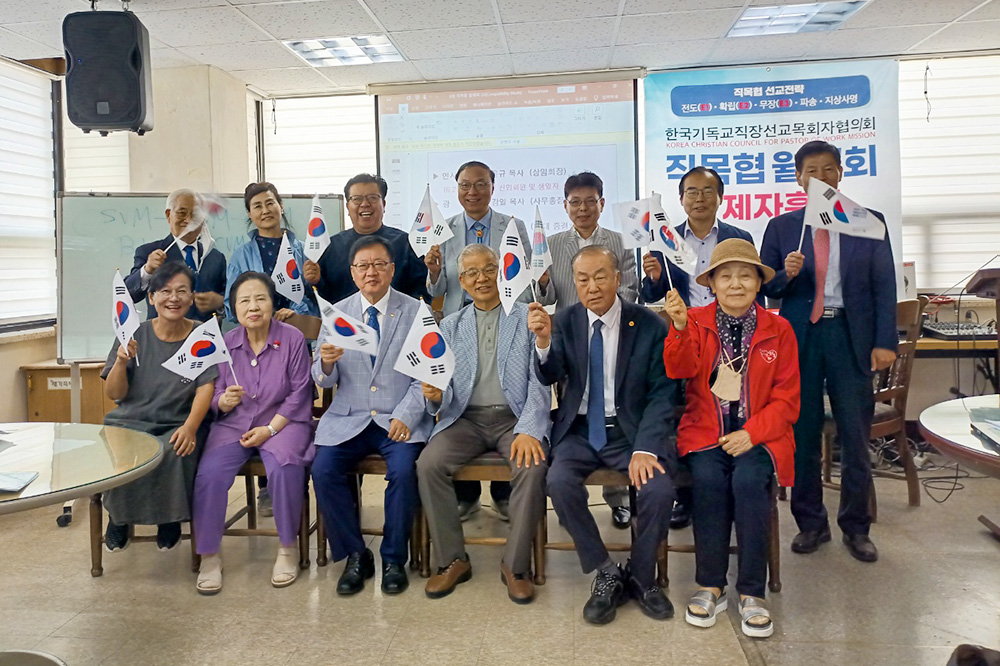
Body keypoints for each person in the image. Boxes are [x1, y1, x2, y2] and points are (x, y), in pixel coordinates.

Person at [760, 140, 897, 563]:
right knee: (801, 434)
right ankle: (811, 524)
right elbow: (765, 287)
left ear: (840, 173)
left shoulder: (867, 222)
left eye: (828, 169)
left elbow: (883, 286)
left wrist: (884, 342)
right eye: (811, 170)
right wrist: (786, 273)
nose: (820, 176)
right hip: (800, 338)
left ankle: (856, 527)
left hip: (850, 337)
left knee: (855, 437)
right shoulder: (783, 227)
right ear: (799, 178)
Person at [528, 245, 677, 625]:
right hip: (579, 430)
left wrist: (646, 447)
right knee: (558, 482)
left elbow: (664, 393)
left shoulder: (647, 324)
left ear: (618, 278)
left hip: (631, 432)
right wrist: (544, 344)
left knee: (659, 490)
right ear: (574, 283)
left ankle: (642, 577)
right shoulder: (564, 320)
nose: (592, 286)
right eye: (582, 279)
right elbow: (550, 374)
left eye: (599, 276)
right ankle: (606, 570)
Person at [662, 239, 800, 638]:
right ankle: (710, 584)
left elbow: (788, 400)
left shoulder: (780, 329)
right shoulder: (697, 319)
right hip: (706, 433)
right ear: (713, 284)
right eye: (726, 276)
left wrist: (751, 433)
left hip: (760, 437)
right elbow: (679, 369)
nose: (735, 283)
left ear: (759, 283)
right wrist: (679, 328)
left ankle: (752, 592)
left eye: (745, 275)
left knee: (749, 482)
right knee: (707, 481)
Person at [417, 244, 551, 604]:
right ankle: (453, 560)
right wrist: (433, 395)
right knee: (428, 464)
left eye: (489, 269)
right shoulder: (449, 325)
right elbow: (439, 389)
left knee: (533, 465)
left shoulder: (527, 316)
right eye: (472, 273)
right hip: (465, 419)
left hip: (513, 419)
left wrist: (527, 430)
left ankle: (515, 565)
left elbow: (541, 385)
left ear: (502, 272)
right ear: (461, 280)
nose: (481, 278)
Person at [311, 236, 433, 596]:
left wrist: (408, 415)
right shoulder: (337, 313)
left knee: (404, 470)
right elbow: (320, 378)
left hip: (397, 417)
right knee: (323, 470)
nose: (371, 272)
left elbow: (426, 374)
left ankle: (394, 557)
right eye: (363, 266)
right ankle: (354, 554)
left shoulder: (415, 312)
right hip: (350, 416)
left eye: (379, 264)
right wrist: (327, 363)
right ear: (352, 272)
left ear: (392, 269)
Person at [641, 166, 756, 530]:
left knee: (733, 410)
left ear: (720, 197)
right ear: (681, 199)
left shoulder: (739, 237)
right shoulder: (666, 239)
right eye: (692, 192)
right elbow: (651, 297)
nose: (700, 199)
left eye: (707, 191)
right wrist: (655, 279)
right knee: (686, 416)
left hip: (731, 339)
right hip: (687, 337)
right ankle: (686, 497)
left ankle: (734, 490)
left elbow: (754, 290)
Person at [192, 272, 314, 595]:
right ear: (235, 308)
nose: (253, 306)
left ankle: (288, 548)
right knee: (209, 474)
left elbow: (301, 393)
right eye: (244, 300)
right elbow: (214, 393)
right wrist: (223, 401)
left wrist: (270, 429)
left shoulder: (292, 339)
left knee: (287, 466)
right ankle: (209, 555)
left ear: (273, 303)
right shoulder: (226, 344)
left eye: (260, 298)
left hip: (282, 423)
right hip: (236, 424)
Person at [424, 161, 531, 521]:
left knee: (504, 392)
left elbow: (522, 279)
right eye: (465, 185)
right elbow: (437, 291)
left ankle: (504, 495)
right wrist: (435, 271)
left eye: (480, 184)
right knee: (463, 399)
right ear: (456, 189)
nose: (472, 192)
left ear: (492, 187)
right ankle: (466, 495)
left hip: (503, 320)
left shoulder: (512, 228)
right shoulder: (445, 231)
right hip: (460, 324)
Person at [536, 171, 638, 530]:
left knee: (614, 415)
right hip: (570, 342)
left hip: (613, 338)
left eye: (589, 201)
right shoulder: (549, 244)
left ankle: (619, 501)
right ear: (565, 206)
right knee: (576, 417)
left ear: (602, 204)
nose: (582, 208)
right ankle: (571, 504)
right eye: (575, 202)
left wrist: (603, 313)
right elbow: (545, 298)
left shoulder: (619, 241)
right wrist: (543, 284)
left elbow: (631, 290)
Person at [101, 262, 217, 552]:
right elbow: (113, 393)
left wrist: (191, 427)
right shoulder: (132, 333)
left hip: (177, 421)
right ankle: (119, 518)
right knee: (123, 450)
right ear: (151, 298)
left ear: (192, 297)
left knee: (174, 450)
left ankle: (170, 519)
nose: (173, 298)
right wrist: (121, 361)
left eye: (181, 291)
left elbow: (206, 387)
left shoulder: (203, 333)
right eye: (164, 291)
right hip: (130, 420)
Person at [303, 173, 429, 304]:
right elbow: (319, 301)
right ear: (347, 207)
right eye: (357, 199)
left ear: (384, 204)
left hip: (397, 320)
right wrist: (314, 283)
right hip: (343, 321)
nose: (365, 204)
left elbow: (421, 293)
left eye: (372, 198)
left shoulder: (407, 244)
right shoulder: (330, 246)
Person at [124, 188, 227, 322]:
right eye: (182, 213)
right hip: (162, 338)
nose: (188, 220)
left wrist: (220, 302)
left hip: (205, 338)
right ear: (168, 215)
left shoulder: (215, 258)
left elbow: (230, 298)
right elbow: (128, 295)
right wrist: (147, 270)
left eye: (196, 215)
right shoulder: (148, 252)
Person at [224, 182, 319, 322]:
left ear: (281, 206)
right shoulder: (241, 256)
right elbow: (230, 307)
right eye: (257, 206)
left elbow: (319, 301)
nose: (265, 210)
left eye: (270, 203)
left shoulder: (305, 252)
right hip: (258, 336)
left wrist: (296, 312)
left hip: (298, 333)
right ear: (250, 214)